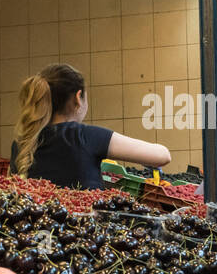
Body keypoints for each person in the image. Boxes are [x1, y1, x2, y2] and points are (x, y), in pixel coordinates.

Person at [11, 63, 171, 189]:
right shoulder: (85, 136)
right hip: (85, 228)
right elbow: (162, 155)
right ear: (78, 98)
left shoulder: (22, 144)